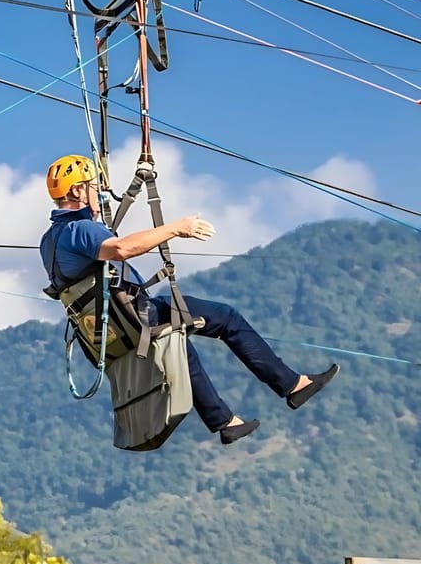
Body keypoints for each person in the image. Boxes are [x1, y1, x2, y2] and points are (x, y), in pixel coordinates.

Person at [39, 154, 337, 445]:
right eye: (94, 186)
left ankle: (225, 423)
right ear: (77, 190)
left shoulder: (49, 241)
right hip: (138, 315)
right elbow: (121, 249)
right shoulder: (80, 230)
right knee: (226, 318)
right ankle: (293, 385)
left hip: (111, 330)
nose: (100, 192)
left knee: (182, 347)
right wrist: (177, 228)